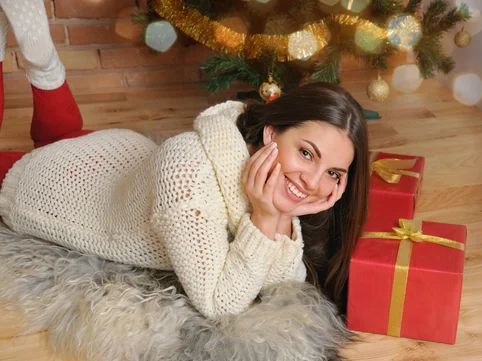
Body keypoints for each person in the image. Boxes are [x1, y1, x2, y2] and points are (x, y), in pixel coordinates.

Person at [0, 0, 370, 318]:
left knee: (57, 137)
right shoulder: (189, 173)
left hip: (122, 159)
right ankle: (43, 63)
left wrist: (281, 213)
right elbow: (219, 302)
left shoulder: (270, 173)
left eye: (333, 172)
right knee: (45, 149)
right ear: (271, 133)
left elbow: (280, 283)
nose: (312, 183)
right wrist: (266, 217)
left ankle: (45, 65)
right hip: (57, 186)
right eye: (307, 153)